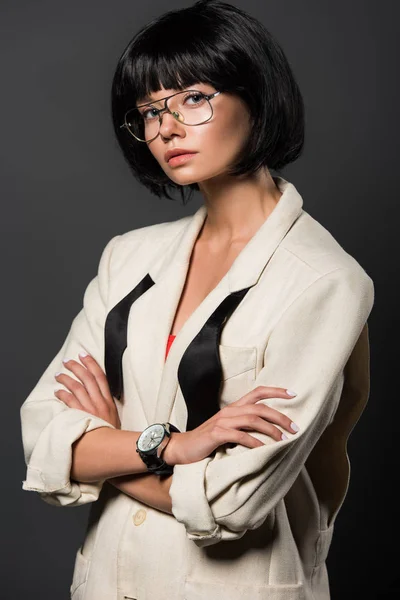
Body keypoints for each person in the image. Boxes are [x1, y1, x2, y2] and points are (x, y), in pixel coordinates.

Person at [20, 1, 374, 599]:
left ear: (256, 94)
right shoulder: (126, 257)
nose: (166, 129)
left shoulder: (324, 281)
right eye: (148, 111)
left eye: (192, 98)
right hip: (104, 582)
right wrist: (174, 446)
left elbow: (237, 500)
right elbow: (45, 436)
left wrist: (109, 446)